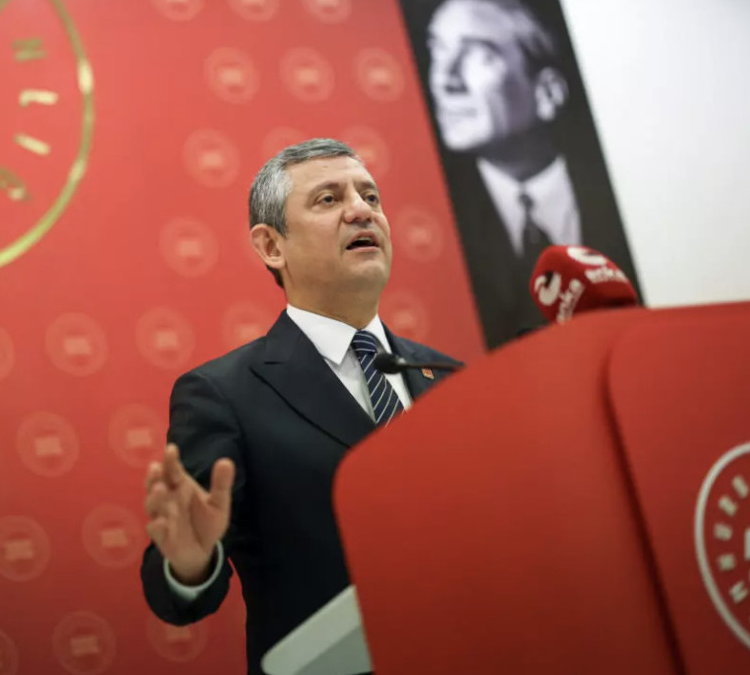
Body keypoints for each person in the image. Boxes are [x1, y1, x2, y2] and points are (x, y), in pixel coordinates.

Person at [140, 138, 460, 675]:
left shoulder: (451, 378)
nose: (361, 210)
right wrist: (190, 564)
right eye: (329, 199)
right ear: (271, 246)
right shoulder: (224, 394)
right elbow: (177, 588)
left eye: (370, 197)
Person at [421, 0, 638, 348]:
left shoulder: (628, 195)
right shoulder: (432, 220)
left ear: (547, 91)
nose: (443, 81)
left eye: (478, 55)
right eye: (438, 50)